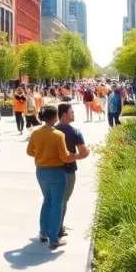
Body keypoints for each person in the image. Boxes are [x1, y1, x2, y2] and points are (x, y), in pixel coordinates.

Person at [27, 105, 83, 250]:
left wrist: (41, 156)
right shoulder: (58, 135)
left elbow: (29, 151)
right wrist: (77, 156)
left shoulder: (35, 133)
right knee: (57, 203)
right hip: (56, 171)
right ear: (56, 117)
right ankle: (54, 238)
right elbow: (64, 157)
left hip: (40, 171)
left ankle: (43, 232)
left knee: (47, 200)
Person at [55, 103, 89, 239]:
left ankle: (46, 228)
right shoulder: (75, 132)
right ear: (64, 114)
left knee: (51, 200)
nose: (74, 114)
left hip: (52, 170)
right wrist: (86, 153)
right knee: (63, 200)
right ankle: (58, 228)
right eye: (72, 112)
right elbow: (82, 152)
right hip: (68, 171)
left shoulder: (52, 130)